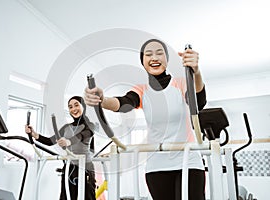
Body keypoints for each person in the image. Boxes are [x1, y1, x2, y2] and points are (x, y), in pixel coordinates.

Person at [84, 39, 206, 200]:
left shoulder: (181, 82)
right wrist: (102, 100)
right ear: (143, 62)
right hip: (157, 164)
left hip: (189, 160)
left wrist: (196, 72)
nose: (154, 57)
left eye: (159, 53)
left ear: (167, 59)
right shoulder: (142, 89)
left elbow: (198, 101)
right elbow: (123, 103)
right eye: (148, 54)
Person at [25, 96, 96, 200]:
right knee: (66, 196)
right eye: (70, 107)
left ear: (83, 106)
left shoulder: (90, 125)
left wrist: (68, 141)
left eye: (76, 105)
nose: (73, 109)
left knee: (86, 197)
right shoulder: (66, 127)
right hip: (69, 168)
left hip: (85, 168)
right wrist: (34, 134)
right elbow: (50, 141)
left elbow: (82, 136)